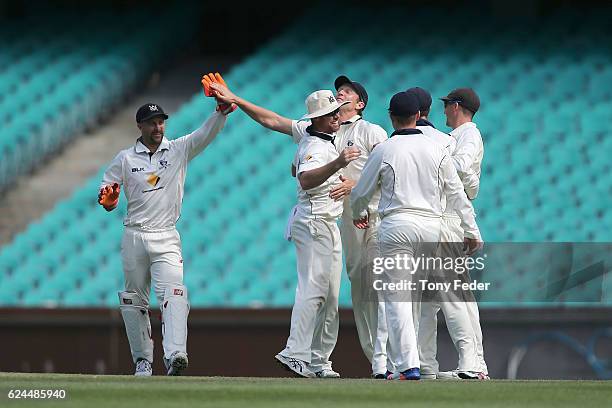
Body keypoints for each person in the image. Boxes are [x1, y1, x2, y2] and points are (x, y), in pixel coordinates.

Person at [209, 76, 388, 375]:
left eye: (346, 93)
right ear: (321, 117)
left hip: (361, 216)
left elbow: (387, 168)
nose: (340, 94)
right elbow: (276, 126)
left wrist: (355, 185)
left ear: (360, 104)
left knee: (338, 293)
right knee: (320, 289)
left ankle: (320, 360)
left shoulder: (368, 131)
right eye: (337, 94)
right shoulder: (315, 134)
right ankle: (299, 352)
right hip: (325, 218)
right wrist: (237, 100)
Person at [97, 76, 234, 376]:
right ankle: (143, 361)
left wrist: (220, 112)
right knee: (134, 300)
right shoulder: (124, 159)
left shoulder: (178, 150)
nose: (158, 128)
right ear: (140, 127)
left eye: (161, 122)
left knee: (174, 293)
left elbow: (203, 135)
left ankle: (175, 356)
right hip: (134, 234)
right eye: (152, 123)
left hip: (166, 236)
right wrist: (108, 201)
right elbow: (107, 194)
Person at [350, 91, 482, 380]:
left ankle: (408, 365)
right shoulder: (439, 147)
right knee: (426, 300)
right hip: (431, 228)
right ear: (419, 115)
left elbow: (361, 192)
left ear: (392, 118)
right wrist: (472, 230)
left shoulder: (384, 149)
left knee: (399, 298)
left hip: (396, 227)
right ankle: (436, 363)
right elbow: (457, 193)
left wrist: (358, 213)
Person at [435, 87, 488, 379]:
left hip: (449, 218)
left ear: (456, 106)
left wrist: (434, 163)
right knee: (459, 294)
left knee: (451, 293)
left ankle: (472, 363)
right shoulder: (459, 136)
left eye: (446, 106)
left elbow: (461, 166)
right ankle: (476, 363)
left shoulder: (468, 134)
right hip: (450, 216)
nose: (444, 111)